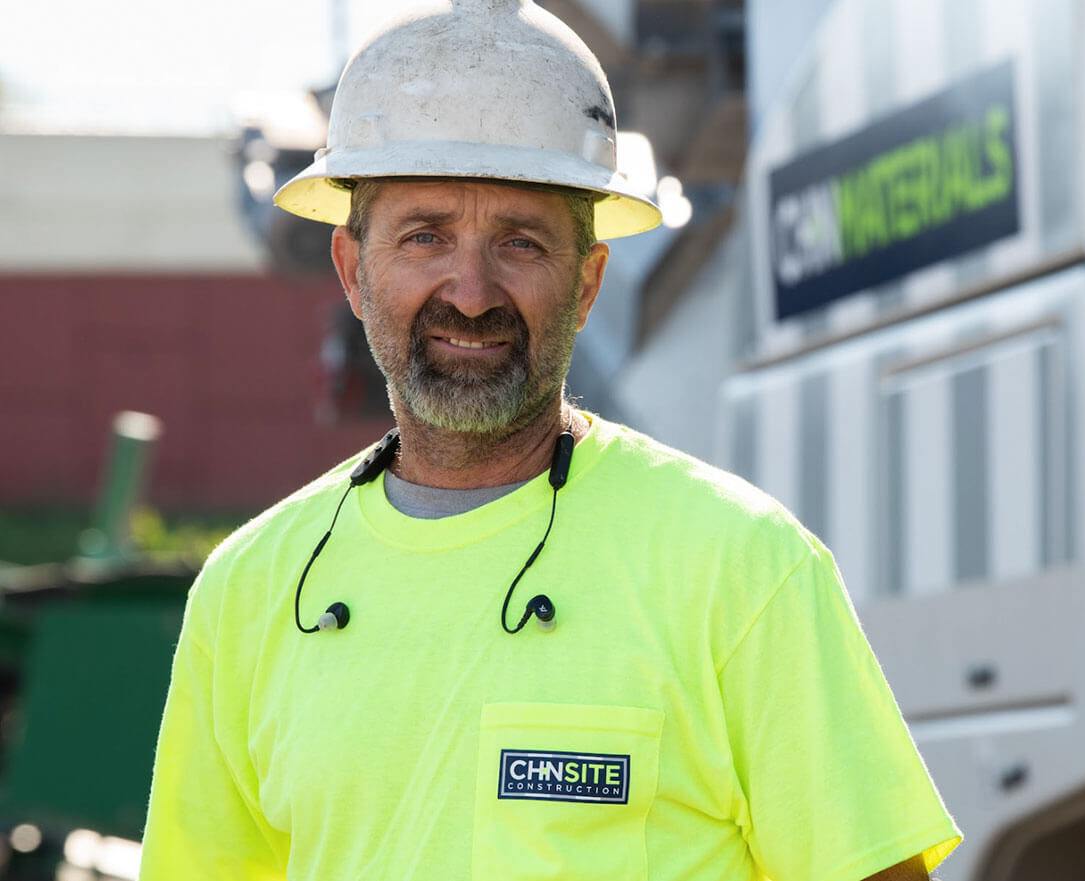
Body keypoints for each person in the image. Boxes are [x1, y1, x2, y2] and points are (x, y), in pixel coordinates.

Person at [140, 1, 961, 879]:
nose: (470, 290)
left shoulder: (744, 568)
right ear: (352, 269)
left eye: (521, 242)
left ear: (588, 281)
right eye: (426, 237)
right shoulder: (250, 590)